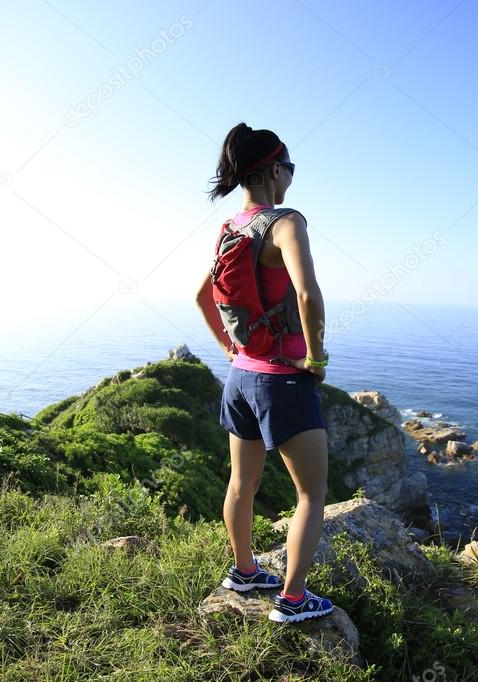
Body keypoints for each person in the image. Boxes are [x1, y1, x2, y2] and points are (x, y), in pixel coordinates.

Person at [195, 122, 333, 623]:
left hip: (240, 380)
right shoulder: (285, 222)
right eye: (290, 166)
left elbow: (201, 297)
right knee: (310, 494)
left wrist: (232, 352)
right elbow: (307, 294)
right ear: (275, 169)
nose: (292, 174)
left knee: (241, 483)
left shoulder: (231, 228)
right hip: (282, 379)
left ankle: (245, 570)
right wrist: (314, 359)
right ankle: (293, 601)